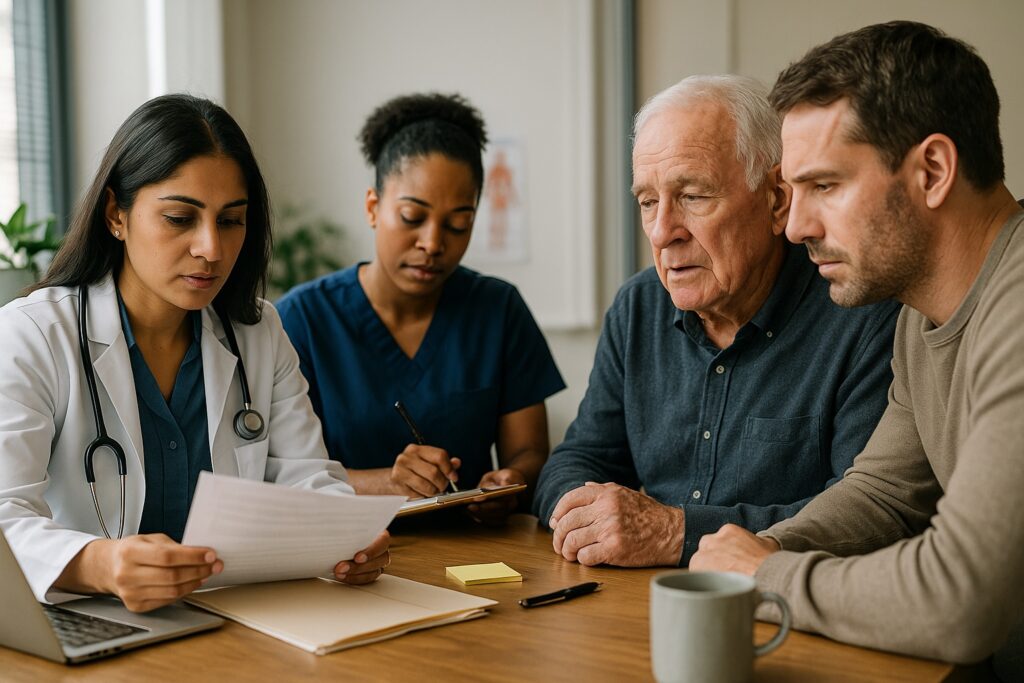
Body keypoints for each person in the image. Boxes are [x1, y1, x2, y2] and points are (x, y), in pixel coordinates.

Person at [690, 22, 1024, 676]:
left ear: (932, 171)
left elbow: (960, 600)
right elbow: (884, 492)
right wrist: (760, 549)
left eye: (825, 186)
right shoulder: (919, 314)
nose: (795, 227)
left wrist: (766, 576)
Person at [0, 94, 388, 613]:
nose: (212, 249)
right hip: (89, 617)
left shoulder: (258, 331)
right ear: (116, 214)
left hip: (233, 615)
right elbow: (5, 516)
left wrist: (348, 536)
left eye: (230, 221)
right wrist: (99, 564)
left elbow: (307, 478)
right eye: (180, 218)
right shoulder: (33, 335)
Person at [533, 75, 900, 567]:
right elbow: (578, 460)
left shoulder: (862, 314)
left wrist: (676, 533)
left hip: (783, 600)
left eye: (693, 196)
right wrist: (585, 515)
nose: (662, 232)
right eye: (648, 202)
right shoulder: (638, 307)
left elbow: (864, 517)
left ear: (776, 200)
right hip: (645, 598)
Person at [277, 93, 564, 523]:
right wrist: (387, 484)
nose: (432, 243)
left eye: (458, 224)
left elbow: (530, 452)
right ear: (373, 208)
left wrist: (509, 482)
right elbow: (280, 477)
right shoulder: (301, 320)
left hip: (476, 551)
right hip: (344, 550)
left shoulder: (498, 310)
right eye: (413, 217)